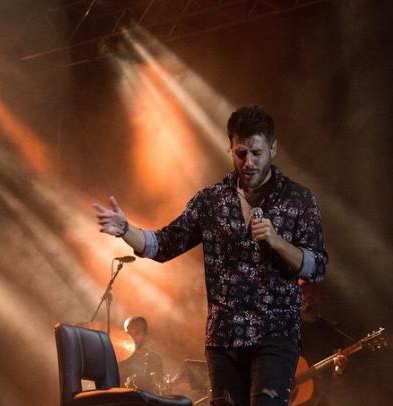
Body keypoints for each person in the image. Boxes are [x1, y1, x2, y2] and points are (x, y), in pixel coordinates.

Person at [94, 105, 328, 406]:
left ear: (273, 148)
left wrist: (277, 241)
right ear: (230, 149)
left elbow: (317, 266)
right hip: (223, 341)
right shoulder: (211, 201)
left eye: (257, 153)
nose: (249, 162)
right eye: (240, 153)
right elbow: (164, 244)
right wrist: (126, 229)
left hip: (275, 335)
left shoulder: (299, 200)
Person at [291, 282, 347, 406]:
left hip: (318, 401)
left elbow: (337, 380)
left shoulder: (333, 333)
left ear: (321, 297)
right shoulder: (286, 327)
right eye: (304, 291)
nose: (309, 295)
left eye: (313, 291)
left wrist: (339, 371)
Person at [118, 316, 164, 394]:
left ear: (145, 334)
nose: (132, 337)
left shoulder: (155, 359)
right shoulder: (119, 358)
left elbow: (161, 387)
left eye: (136, 333)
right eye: (129, 333)